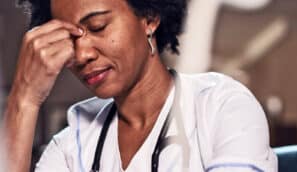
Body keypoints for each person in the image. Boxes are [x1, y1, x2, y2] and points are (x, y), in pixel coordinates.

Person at [3, 0, 277, 171]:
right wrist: (24, 99)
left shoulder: (223, 108)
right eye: (69, 39)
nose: (82, 53)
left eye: (98, 26)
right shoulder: (73, 142)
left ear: (149, 18)